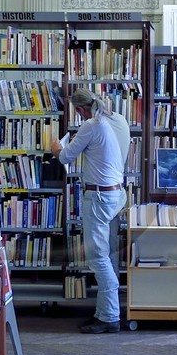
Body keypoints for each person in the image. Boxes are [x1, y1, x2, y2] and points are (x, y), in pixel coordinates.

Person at [49, 88, 128, 333]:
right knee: (108, 254)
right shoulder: (118, 119)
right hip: (117, 194)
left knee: (97, 257)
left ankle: (110, 316)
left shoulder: (91, 125)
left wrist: (55, 147)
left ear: (81, 109)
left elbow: (65, 158)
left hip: (99, 197)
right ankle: (105, 311)